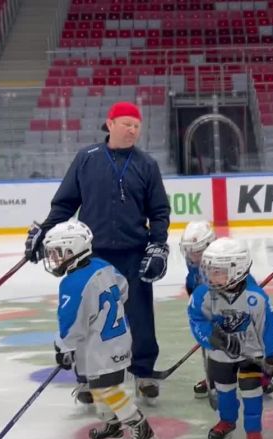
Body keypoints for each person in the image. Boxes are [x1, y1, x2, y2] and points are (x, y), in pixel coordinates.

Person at [24, 101, 170, 406]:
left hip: (134, 252)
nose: (132, 130)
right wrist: (46, 231)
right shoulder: (86, 158)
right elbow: (64, 204)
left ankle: (143, 372)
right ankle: (87, 378)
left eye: (137, 125)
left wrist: (158, 245)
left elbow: (159, 212)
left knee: (139, 315)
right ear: (110, 123)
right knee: (89, 317)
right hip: (92, 256)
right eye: (127, 123)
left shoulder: (147, 165)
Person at [43, 220, 159, 439]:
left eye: (56, 252)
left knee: (107, 388)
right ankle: (113, 422)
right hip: (117, 339)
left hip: (100, 348)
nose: (53, 258)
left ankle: (140, 427)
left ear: (71, 249)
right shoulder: (103, 266)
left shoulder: (72, 283)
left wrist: (63, 347)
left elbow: (71, 324)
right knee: (98, 387)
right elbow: (123, 288)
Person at [187, 237, 273, 439]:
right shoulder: (204, 294)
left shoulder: (256, 298)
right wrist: (213, 337)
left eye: (218, 271)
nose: (210, 276)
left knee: (251, 391)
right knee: (224, 391)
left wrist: (271, 358)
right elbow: (196, 319)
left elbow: (269, 328)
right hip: (220, 354)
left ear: (237, 270)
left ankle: (253, 431)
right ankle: (227, 421)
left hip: (250, 353)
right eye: (210, 270)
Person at [179, 220, 217, 403]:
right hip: (210, 314)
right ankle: (215, 376)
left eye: (197, 251)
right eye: (189, 251)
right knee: (213, 344)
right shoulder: (193, 271)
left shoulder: (224, 264)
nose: (193, 256)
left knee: (244, 340)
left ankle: (261, 374)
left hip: (232, 315)